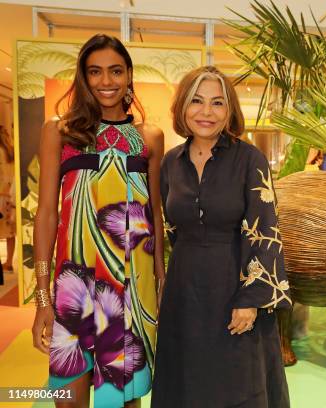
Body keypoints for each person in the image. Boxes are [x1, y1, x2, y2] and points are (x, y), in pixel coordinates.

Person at [31, 34, 165, 408]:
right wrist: (43, 298)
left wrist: (161, 282)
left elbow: (155, 214)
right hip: (73, 288)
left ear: (129, 76)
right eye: (95, 72)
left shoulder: (148, 138)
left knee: (121, 402)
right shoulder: (60, 131)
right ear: (83, 77)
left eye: (115, 71)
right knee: (67, 401)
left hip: (132, 290)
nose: (106, 81)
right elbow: (46, 214)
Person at [152, 66, 291, 407]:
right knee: (186, 380)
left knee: (236, 383)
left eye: (217, 103)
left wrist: (251, 300)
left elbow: (266, 230)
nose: (206, 112)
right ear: (183, 107)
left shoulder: (250, 159)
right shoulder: (171, 163)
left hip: (234, 288)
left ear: (229, 110)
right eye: (197, 101)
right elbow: (171, 228)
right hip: (184, 292)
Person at [0, 124, 16, 275]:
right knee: (10, 231)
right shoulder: (10, 150)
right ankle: (9, 262)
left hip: (1, 195)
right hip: (9, 195)